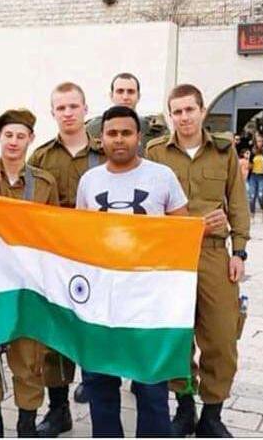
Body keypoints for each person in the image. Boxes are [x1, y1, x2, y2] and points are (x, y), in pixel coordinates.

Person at [76, 105, 188, 437]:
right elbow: (79, 236)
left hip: (148, 301)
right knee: (99, 384)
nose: (119, 139)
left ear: (138, 137)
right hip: (101, 301)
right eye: (112, 133)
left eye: (126, 133)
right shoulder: (89, 181)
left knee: (151, 387)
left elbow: (182, 232)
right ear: (100, 139)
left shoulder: (162, 176)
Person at [146, 84, 250, 437]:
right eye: (177, 111)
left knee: (221, 336)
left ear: (202, 111)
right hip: (172, 253)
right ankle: (185, 406)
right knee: (177, 334)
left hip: (213, 253)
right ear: (170, 115)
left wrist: (239, 251)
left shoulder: (223, 150)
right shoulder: (156, 152)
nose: (184, 117)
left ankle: (212, 414)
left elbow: (238, 202)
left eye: (190, 109)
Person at [27, 82, 105, 437]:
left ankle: (103, 408)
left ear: (85, 109)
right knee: (54, 337)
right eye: (61, 108)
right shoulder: (41, 157)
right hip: (55, 260)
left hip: (97, 259)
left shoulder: (105, 154)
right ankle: (58, 410)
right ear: (53, 113)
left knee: (95, 331)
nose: (68, 113)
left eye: (74, 106)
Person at [0, 108, 60, 436]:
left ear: (31, 139)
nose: (13, 142)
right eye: (8, 135)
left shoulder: (44, 182)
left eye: (20, 136)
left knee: (29, 361)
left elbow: (55, 233)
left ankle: (26, 425)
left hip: (29, 285)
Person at [85, 72, 169, 153]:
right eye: (120, 91)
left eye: (131, 92)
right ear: (111, 96)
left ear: (138, 96)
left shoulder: (154, 130)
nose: (125, 97)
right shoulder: (92, 129)